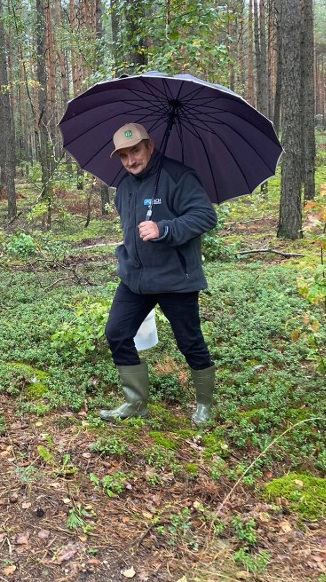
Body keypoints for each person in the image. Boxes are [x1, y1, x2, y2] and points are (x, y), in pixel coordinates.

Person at [101, 122, 218, 425]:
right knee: (116, 333)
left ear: (149, 146)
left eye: (136, 151)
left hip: (175, 279)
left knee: (189, 341)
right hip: (135, 279)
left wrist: (163, 228)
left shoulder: (179, 177)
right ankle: (136, 402)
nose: (131, 161)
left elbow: (205, 216)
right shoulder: (124, 187)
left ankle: (204, 405)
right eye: (124, 156)